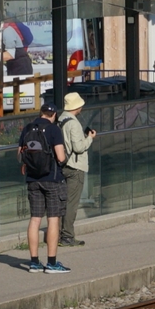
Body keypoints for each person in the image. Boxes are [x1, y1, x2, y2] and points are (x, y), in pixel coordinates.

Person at [18, 100, 70, 273]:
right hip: (52, 179)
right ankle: (52, 263)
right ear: (54, 115)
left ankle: (34, 262)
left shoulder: (28, 128)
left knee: (35, 218)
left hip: (32, 179)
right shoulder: (54, 129)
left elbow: (20, 154)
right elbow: (61, 157)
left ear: (40, 113)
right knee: (53, 218)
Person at [57, 92, 96, 247]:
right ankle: (67, 236)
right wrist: (90, 139)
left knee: (63, 201)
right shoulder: (74, 123)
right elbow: (79, 147)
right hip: (75, 166)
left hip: (63, 165)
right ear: (77, 106)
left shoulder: (61, 119)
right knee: (71, 204)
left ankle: (59, 232)